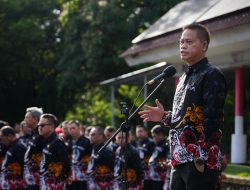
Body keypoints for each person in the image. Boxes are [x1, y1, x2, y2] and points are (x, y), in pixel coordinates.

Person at [139, 23, 227, 190]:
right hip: (178, 158)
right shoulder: (183, 78)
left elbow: (212, 119)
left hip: (199, 161)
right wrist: (164, 116)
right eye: (181, 42)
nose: (183, 46)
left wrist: (200, 157)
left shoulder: (211, 74)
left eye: (189, 42)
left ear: (204, 45)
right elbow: (185, 118)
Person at [38, 113, 70, 190]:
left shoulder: (57, 142)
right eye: (39, 125)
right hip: (45, 182)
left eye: (42, 125)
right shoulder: (45, 140)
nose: (39, 128)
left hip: (54, 184)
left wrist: (59, 181)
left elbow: (66, 164)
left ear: (51, 127)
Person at [67, 120, 92, 190]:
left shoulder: (87, 141)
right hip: (73, 176)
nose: (72, 130)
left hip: (84, 177)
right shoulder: (70, 141)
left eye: (73, 128)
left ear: (79, 128)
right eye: (70, 129)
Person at [135, 125, 155, 189]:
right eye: (137, 131)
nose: (139, 133)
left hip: (150, 173)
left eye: (141, 131)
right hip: (140, 172)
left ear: (146, 132)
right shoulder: (136, 143)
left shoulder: (151, 143)